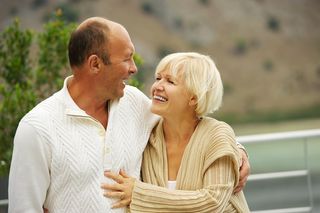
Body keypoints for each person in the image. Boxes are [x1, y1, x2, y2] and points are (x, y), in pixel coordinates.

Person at [8, 17, 249, 213]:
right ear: (95, 64)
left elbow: (186, 123)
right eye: (127, 59)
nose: (134, 68)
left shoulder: (133, 103)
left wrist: (236, 151)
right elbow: (23, 208)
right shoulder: (38, 128)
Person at [102, 52, 250, 212]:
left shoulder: (216, 134)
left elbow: (213, 203)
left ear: (193, 97)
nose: (157, 87)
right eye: (158, 78)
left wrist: (139, 194)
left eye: (170, 81)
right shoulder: (146, 134)